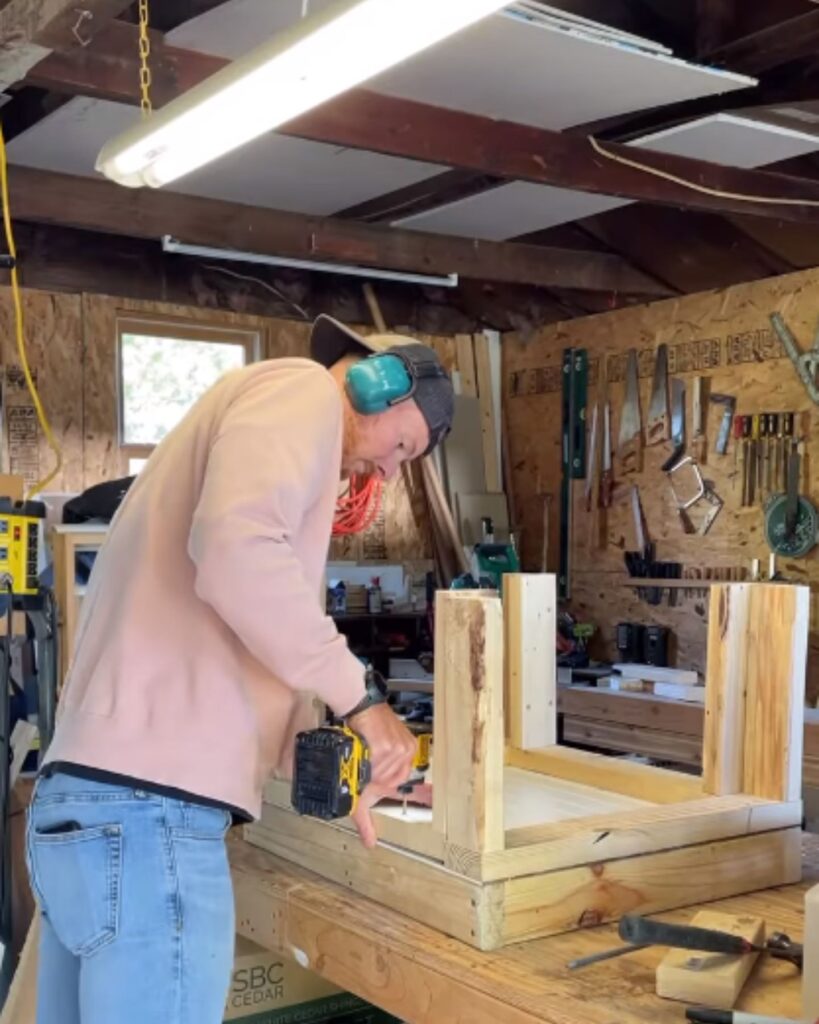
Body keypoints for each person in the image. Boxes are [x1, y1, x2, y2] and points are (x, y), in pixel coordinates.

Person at [25, 314, 454, 1024]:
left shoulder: (247, 429)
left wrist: (330, 769)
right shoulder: (303, 391)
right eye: (402, 446)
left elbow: (242, 612)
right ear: (380, 384)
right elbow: (233, 552)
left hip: (90, 807)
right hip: (150, 815)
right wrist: (361, 697)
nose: (387, 470)